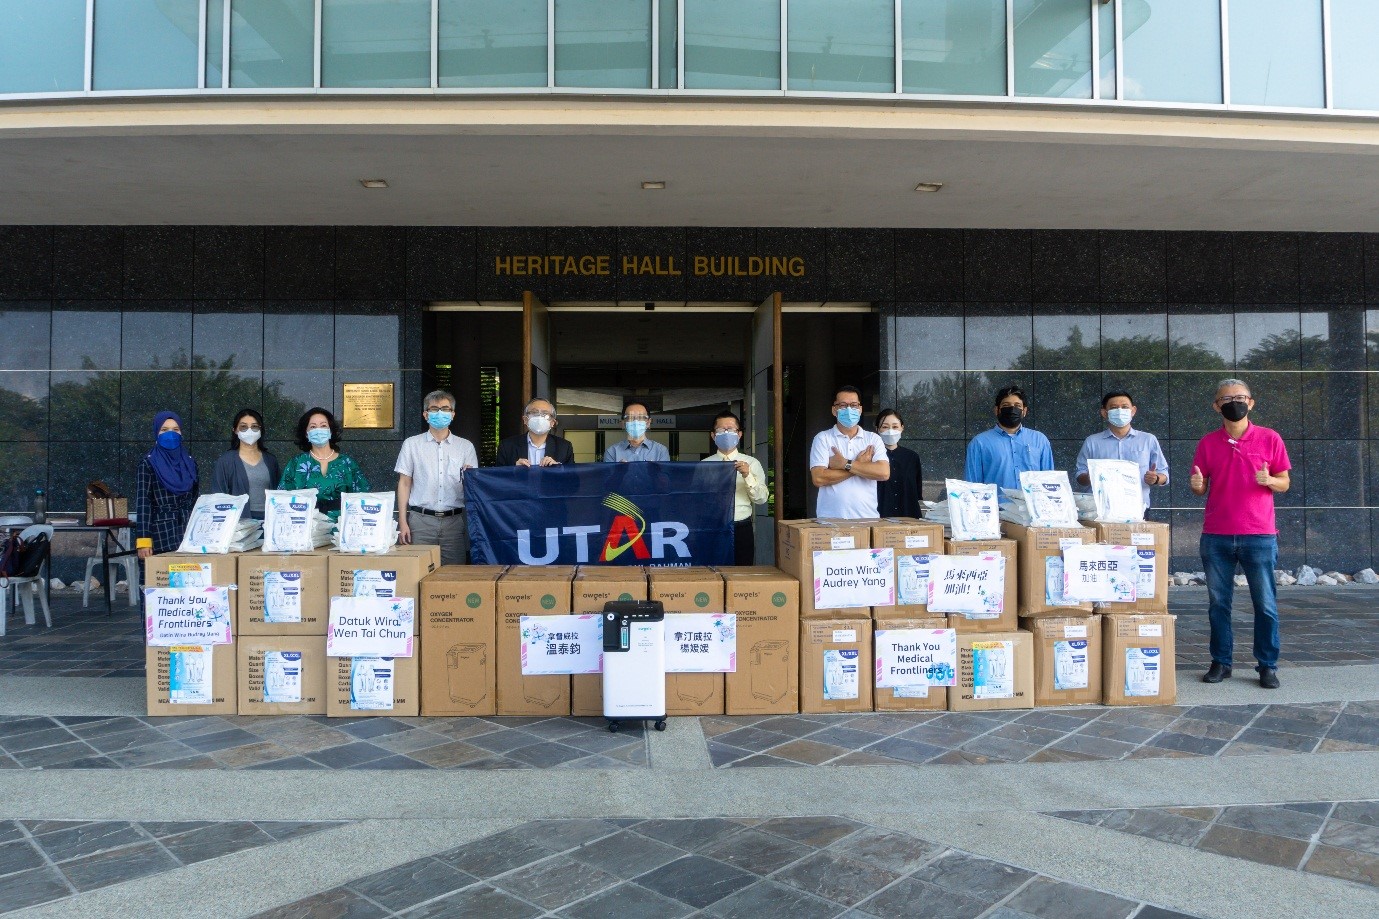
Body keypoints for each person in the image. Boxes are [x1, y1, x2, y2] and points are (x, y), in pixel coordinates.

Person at [1191, 378, 1291, 690]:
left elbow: (1284, 482)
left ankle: (1267, 665)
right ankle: (1221, 662)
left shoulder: (1269, 438)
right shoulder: (1208, 442)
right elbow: (1201, 484)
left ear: (1251, 402)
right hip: (1217, 535)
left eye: (1240, 397)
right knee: (1219, 603)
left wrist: (1270, 481)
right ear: (1216, 406)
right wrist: (1198, 487)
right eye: (1226, 398)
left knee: (1265, 605)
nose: (1233, 402)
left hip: (1259, 535)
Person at [395, 390, 478, 566]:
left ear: (453, 414)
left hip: (454, 522)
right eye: (434, 409)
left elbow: (473, 488)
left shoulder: (465, 447)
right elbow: (404, 483)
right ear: (425, 414)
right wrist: (403, 522)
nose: (440, 413)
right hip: (420, 521)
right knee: (417, 574)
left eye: (445, 409)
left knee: (454, 575)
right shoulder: (412, 444)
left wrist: (469, 477)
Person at [1075, 391, 1168, 508]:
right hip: (1101, 509)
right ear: (1104, 413)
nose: (1120, 411)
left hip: (1137, 509)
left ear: (1133, 411)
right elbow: (1079, 475)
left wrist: (1155, 479)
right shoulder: (1092, 442)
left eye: (1124, 407)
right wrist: (1090, 476)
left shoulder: (1148, 440)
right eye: (1114, 408)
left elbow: (1164, 473)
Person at [809, 386, 889, 518]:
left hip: (867, 519)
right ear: (834, 410)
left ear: (860, 409)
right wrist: (859, 465)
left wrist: (846, 464)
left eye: (854, 405)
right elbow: (818, 478)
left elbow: (883, 473)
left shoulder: (873, 439)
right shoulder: (823, 438)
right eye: (843, 405)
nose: (849, 409)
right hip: (830, 520)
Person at [701, 410, 768, 564]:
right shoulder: (704, 465)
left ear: (739, 434)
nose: (726, 433)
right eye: (721, 430)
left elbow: (762, 498)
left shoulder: (751, 463)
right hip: (713, 527)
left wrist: (748, 475)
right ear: (713, 435)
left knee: (741, 573)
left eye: (731, 430)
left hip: (741, 527)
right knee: (712, 572)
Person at [279, 407, 370, 519]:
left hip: (341, 528)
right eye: (313, 427)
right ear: (306, 434)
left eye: (323, 426)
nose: (318, 430)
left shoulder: (347, 464)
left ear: (330, 431)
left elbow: (363, 498)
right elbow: (282, 499)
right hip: (306, 527)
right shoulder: (296, 463)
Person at [963, 385, 1054, 490]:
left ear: (1024, 411)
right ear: (997, 410)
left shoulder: (1040, 440)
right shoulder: (979, 443)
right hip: (997, 506)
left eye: (1017, 405)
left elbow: (1049, 481)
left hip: (1031, 506)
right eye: (1006, 405)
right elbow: (972, 485)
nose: (1012, 409)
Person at [135, 411, 199, 559]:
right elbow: (143, 503)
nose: (170, 434)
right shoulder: (148, 462)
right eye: (164, 430)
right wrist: (144, 542)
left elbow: (196, 500)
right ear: (156, 433)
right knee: (159, 579)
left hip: (188, 533)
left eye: (175, 430)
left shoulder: (190, 463)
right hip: (160, 534)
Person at [212, 409, 281, 520]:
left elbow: (279, 491)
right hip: (239, 522)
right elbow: (219, 496)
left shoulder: (271, 460)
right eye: (243, 427)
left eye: (254, 426)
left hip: (270, 520)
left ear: (261, 430)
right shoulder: (226, 461)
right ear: (235, 430)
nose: (249, 431)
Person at [496, 398, 575, 467]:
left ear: (552, 422)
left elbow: (573, 479)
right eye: (534, 413)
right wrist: (513, 470)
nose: (539, 417)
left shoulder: (564, 447)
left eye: (545, 414)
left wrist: (558, 469)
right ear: (525, 420)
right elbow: (497, 478)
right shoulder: (507, 446)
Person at [875, 408, 923, 518]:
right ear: (877, 429)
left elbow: (917, 490)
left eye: (895, 426)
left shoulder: (912, 457)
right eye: (885, 427)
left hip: (908, 515)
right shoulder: (871, 456)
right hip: (879, 515)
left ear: (902, 428)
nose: (890, 431)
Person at [603, 401, 670, 462]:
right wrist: (619, 471)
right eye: (630, 417)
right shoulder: (612, 452)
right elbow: (608, 475)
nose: (636, 422)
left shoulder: (660, 451)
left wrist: (653, 471)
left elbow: (665, 474)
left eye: (641, 417)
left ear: (648, 423)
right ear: (623, 423)